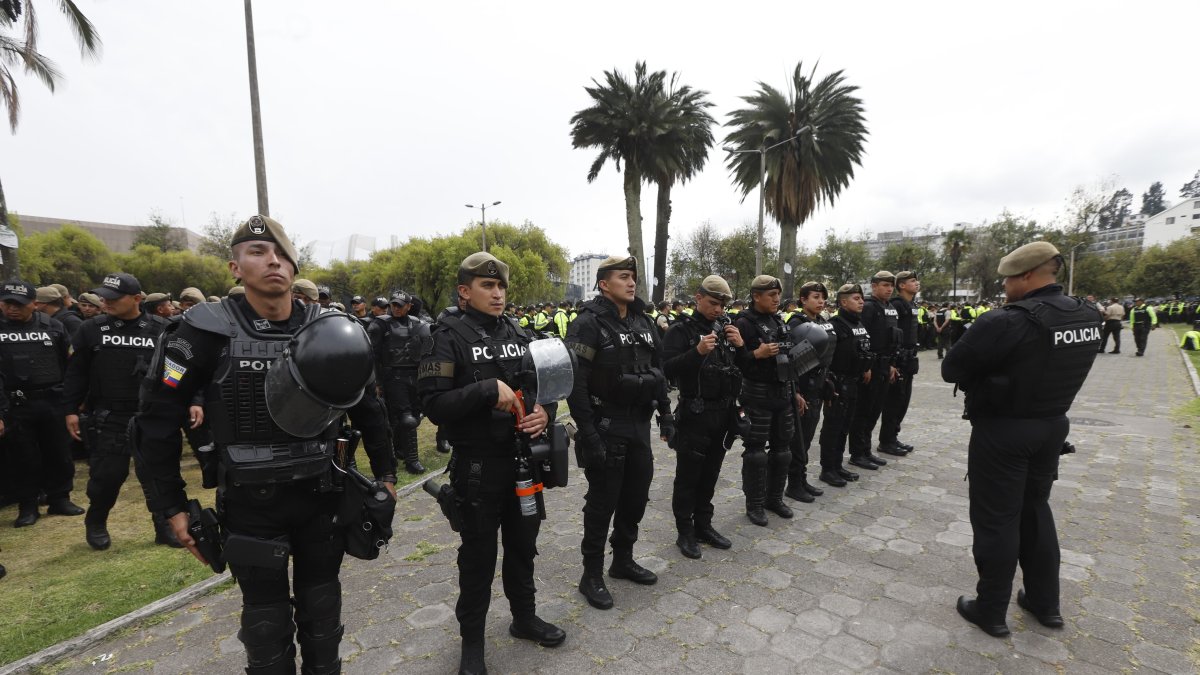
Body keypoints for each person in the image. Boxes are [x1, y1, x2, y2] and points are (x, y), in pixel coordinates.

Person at [136, 215, 396, 674]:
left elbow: (368, 408)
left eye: (282, 255)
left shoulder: (331, 329)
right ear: (235, 267)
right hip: (251, 506)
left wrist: (388, 476)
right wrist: (171, 508)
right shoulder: (202, 333)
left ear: (294, 269)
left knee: (323, 616)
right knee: (265, 629)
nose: (272, 261)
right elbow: (156, 423)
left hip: (322, 497)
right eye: (257, 252)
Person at [942, 241, 1101, 637]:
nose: (1005, 287)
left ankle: (991, 609)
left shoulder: (1007, 321)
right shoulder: (1086, 315)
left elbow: (951, 368)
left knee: (997, 520)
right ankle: (1045, 603)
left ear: (1028, 275)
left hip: (1004, 430)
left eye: (1009, 279)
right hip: (1052, 425)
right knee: (1035, 511)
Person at [418, 251, 565, 674]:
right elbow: (433, 405)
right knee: (478, 558)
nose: (497, 293)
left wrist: (544, 413)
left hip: (524, 462)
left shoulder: (518, 331)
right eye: (487, 286)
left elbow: (540, 388)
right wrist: (484, 390)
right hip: (479, 467)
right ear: (465, 292)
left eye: (500, 286)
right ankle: (472, 646)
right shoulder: (444, 336)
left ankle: (524, 618)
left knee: (523, 547)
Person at [568, 255, 672, 610]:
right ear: (603, 284)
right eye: (623, 277)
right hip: (606, 425)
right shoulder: (587, 324)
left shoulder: (643, 320)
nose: (631, 283)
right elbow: (576, 384)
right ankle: (591, 574)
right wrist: (588, 433)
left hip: (639, 425)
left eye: (633, 278)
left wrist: (667, 415)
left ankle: (622, 560)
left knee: (636, 497)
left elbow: (658, 371)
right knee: (602, 503)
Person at [63, 273, 176, 549]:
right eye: (104, 297)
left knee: (157, 474)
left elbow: (175, 371)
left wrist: (188, 401)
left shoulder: (163, 328)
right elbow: (77, 374)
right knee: (108, 475)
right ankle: (97, 521)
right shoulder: (91, 329)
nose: (106, 302)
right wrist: (70, 410)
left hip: (150, 415)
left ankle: (164, 527)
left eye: (114, 298)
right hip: (110, 415)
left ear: (137, 299)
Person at [662, 275, 746, 559]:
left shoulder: (726, 328)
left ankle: (704, 525)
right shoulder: (680, 330)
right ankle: (685, 531)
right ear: (698, 298)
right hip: (694, 413)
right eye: (713, 303)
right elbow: (667, 370)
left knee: (711, 473)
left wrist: (742, 346)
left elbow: (742, 369)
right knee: (688, 477)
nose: (719, 310)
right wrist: (696, 352)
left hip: (723, 413)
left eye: (723, 305)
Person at [0, 281, 83, 527]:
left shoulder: (53, 326)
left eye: (19, 304)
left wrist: (72, 401)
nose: (12, 309)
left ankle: (60, 498)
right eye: (7, 304)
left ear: (34, 304)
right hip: (15, 403)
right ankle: (28, 505)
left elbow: (69, 365)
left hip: (51, 400)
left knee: (58, 452)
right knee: (23, 456)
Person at [732, 275, 798, 526]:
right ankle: (755, 504)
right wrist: (756, 354)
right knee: (756, 454)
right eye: (771, 295)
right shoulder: (743, 323)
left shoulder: (778, 321)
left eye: (778, 295)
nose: (776, 299)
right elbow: (736, 363)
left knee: (782, 452)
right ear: (756, 296)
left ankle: (774, 498)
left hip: (783, 392)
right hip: (757, 395)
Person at [367, 291, 428, 474]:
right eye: (393, 304)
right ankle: (412, 461)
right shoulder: (381, 324)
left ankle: (400, 451)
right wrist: (377, 382)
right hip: (393, 377)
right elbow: (373, 356)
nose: (396, 308)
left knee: (412, 418)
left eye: (400, 305)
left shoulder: (418, 323)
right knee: (405, 418)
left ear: (409, 306)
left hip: (415, 376)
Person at [817, 284, 872, 488]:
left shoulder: (858, 323)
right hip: (837, 383)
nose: (861, 302)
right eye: (856, 298)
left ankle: (837, 465)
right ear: (843, 302)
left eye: (861, 298)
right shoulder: (834, 325)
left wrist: (867, 367)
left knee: (844, 427)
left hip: (854, 381)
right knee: (832, 428)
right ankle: (827, 469)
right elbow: (826, 357)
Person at [786, 281, 833, 503]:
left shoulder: (822, 322)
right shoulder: (797, 323)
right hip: (802, 390)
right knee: (798, 441)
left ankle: (802, 480)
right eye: (815, 297)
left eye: (822, 297)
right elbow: (791, 362)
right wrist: (795, 391)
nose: (821, 301)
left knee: (807, 439)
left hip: (817, 387)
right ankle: (794, 484)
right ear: (803, 300)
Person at [847, 271, 898, 471]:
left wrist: (892, 364)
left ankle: (866, 450)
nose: (889, 289)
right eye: (884, 285)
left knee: (875, 410)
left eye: (890, 285)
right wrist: (865, 367)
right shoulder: (868, 307)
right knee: (864, 410)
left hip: (885, 364)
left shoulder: (888, 307)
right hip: (871, 365)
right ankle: (857, 453)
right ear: (874, 286)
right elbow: (862, 339)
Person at [879, 271, 921, 456]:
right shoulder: (897, 304)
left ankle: (893, 437)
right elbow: (892, 334)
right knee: (894, 401)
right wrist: (893, 361)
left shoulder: (911, 304)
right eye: (912, 281)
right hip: (899, 358)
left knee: (903, 401)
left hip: (909, 357)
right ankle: (886, 440)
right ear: (902, 285)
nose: (916, 283)